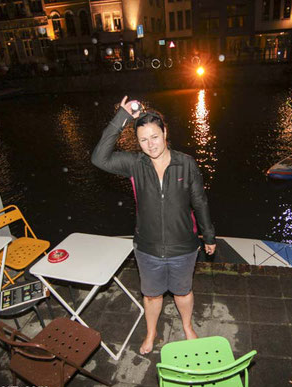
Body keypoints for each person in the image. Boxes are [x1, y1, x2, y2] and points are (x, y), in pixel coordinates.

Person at [91, 96, 216, 355]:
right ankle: (151, 332)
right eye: (143, 140)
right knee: (151, 296)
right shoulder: (135, 164)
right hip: (147, 247)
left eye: (155, 137)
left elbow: (199, 201)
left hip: (184, 246)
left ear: (165, 132)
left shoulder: (186, 163)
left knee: (183, 293)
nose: (150, 144)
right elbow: (99, 159)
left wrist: (209, 235)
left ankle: (187, 326)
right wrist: (121, 118)